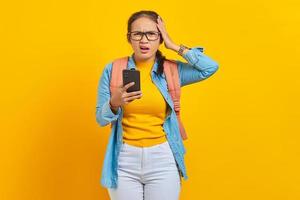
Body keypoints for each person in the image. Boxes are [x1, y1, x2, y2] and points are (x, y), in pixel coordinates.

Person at [96, 10, 219, 200]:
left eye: (151, 34)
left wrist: (173, 45)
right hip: (124, 159)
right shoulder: (113, 69)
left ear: (160, 37)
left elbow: (210, 67)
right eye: (137, 34)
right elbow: (100, 119)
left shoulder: (171, 71)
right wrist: (114, 103)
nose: (144, 40)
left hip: (162, 158)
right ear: (129, 38)